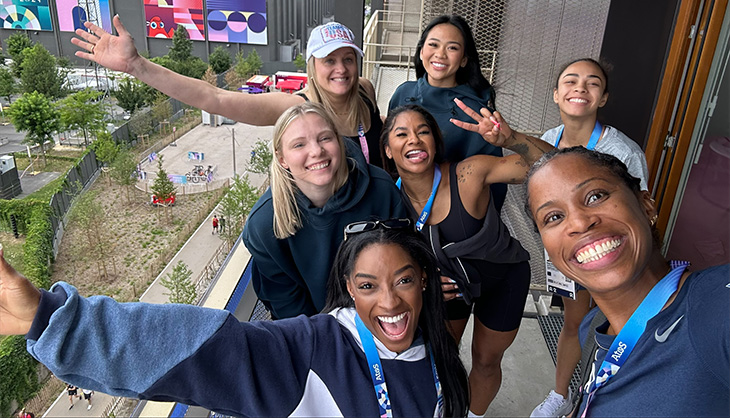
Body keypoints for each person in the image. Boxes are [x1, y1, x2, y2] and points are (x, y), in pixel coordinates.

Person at [0, 221, 470, 417]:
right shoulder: (313, 348)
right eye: (368, 286)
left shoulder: (439, 354)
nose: (389, 302)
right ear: (349, 290)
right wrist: (52, 318)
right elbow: (201, 346)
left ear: (424, 281)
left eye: (403, 280)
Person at [525, 146, 728, 417]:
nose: (579, 222)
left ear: (646, 207)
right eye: (554, 217)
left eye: (595, 196)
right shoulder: (594, 328)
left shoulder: (714, 309)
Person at [380, 103, 553, 416]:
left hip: (503, 280)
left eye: (423, 132)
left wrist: (510, 138)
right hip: (445, 286)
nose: (414, 140)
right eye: (401, 134)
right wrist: (421, 278)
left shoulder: (469, 173)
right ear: (388, 150)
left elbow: (551, 165)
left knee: (486, 362)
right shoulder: (387, 198)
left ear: (435, 141)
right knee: (438, 359)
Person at [71, 17, 386, 168]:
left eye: (348, 58)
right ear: (312, 66)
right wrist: (136, 66)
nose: (341, 69)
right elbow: (215, 99)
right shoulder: (296, 107)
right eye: (329, 60)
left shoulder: (365, 92)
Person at [523, 58, 650, 418]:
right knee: (575, 323)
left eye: (592, 83)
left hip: (615, 255)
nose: (580, 88)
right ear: (556, 94)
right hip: (574, 257)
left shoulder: (624, 152)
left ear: (604, 97)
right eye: (571, 81)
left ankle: (616, 395)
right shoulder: (545, 142)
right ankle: (562, 394)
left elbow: (641, 210)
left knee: (621, 326)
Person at [241, 103, 405, 319]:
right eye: (299, 145)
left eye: (325, 138)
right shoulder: (265, 224)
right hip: (313, 333)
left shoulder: (381, 190)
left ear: (340, 142)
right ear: (282, 159)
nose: (316, 151)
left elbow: (402, 268)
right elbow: (290, 311)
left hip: (383, 318)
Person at [387, 15, 506, 209]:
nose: (440, 54)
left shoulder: (476, 111)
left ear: (464, 59)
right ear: (421, 50)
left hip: (453, 212)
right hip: (403, 202)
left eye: (452, 48)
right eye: (433, 45)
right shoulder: (403, 93)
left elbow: (493, 183)